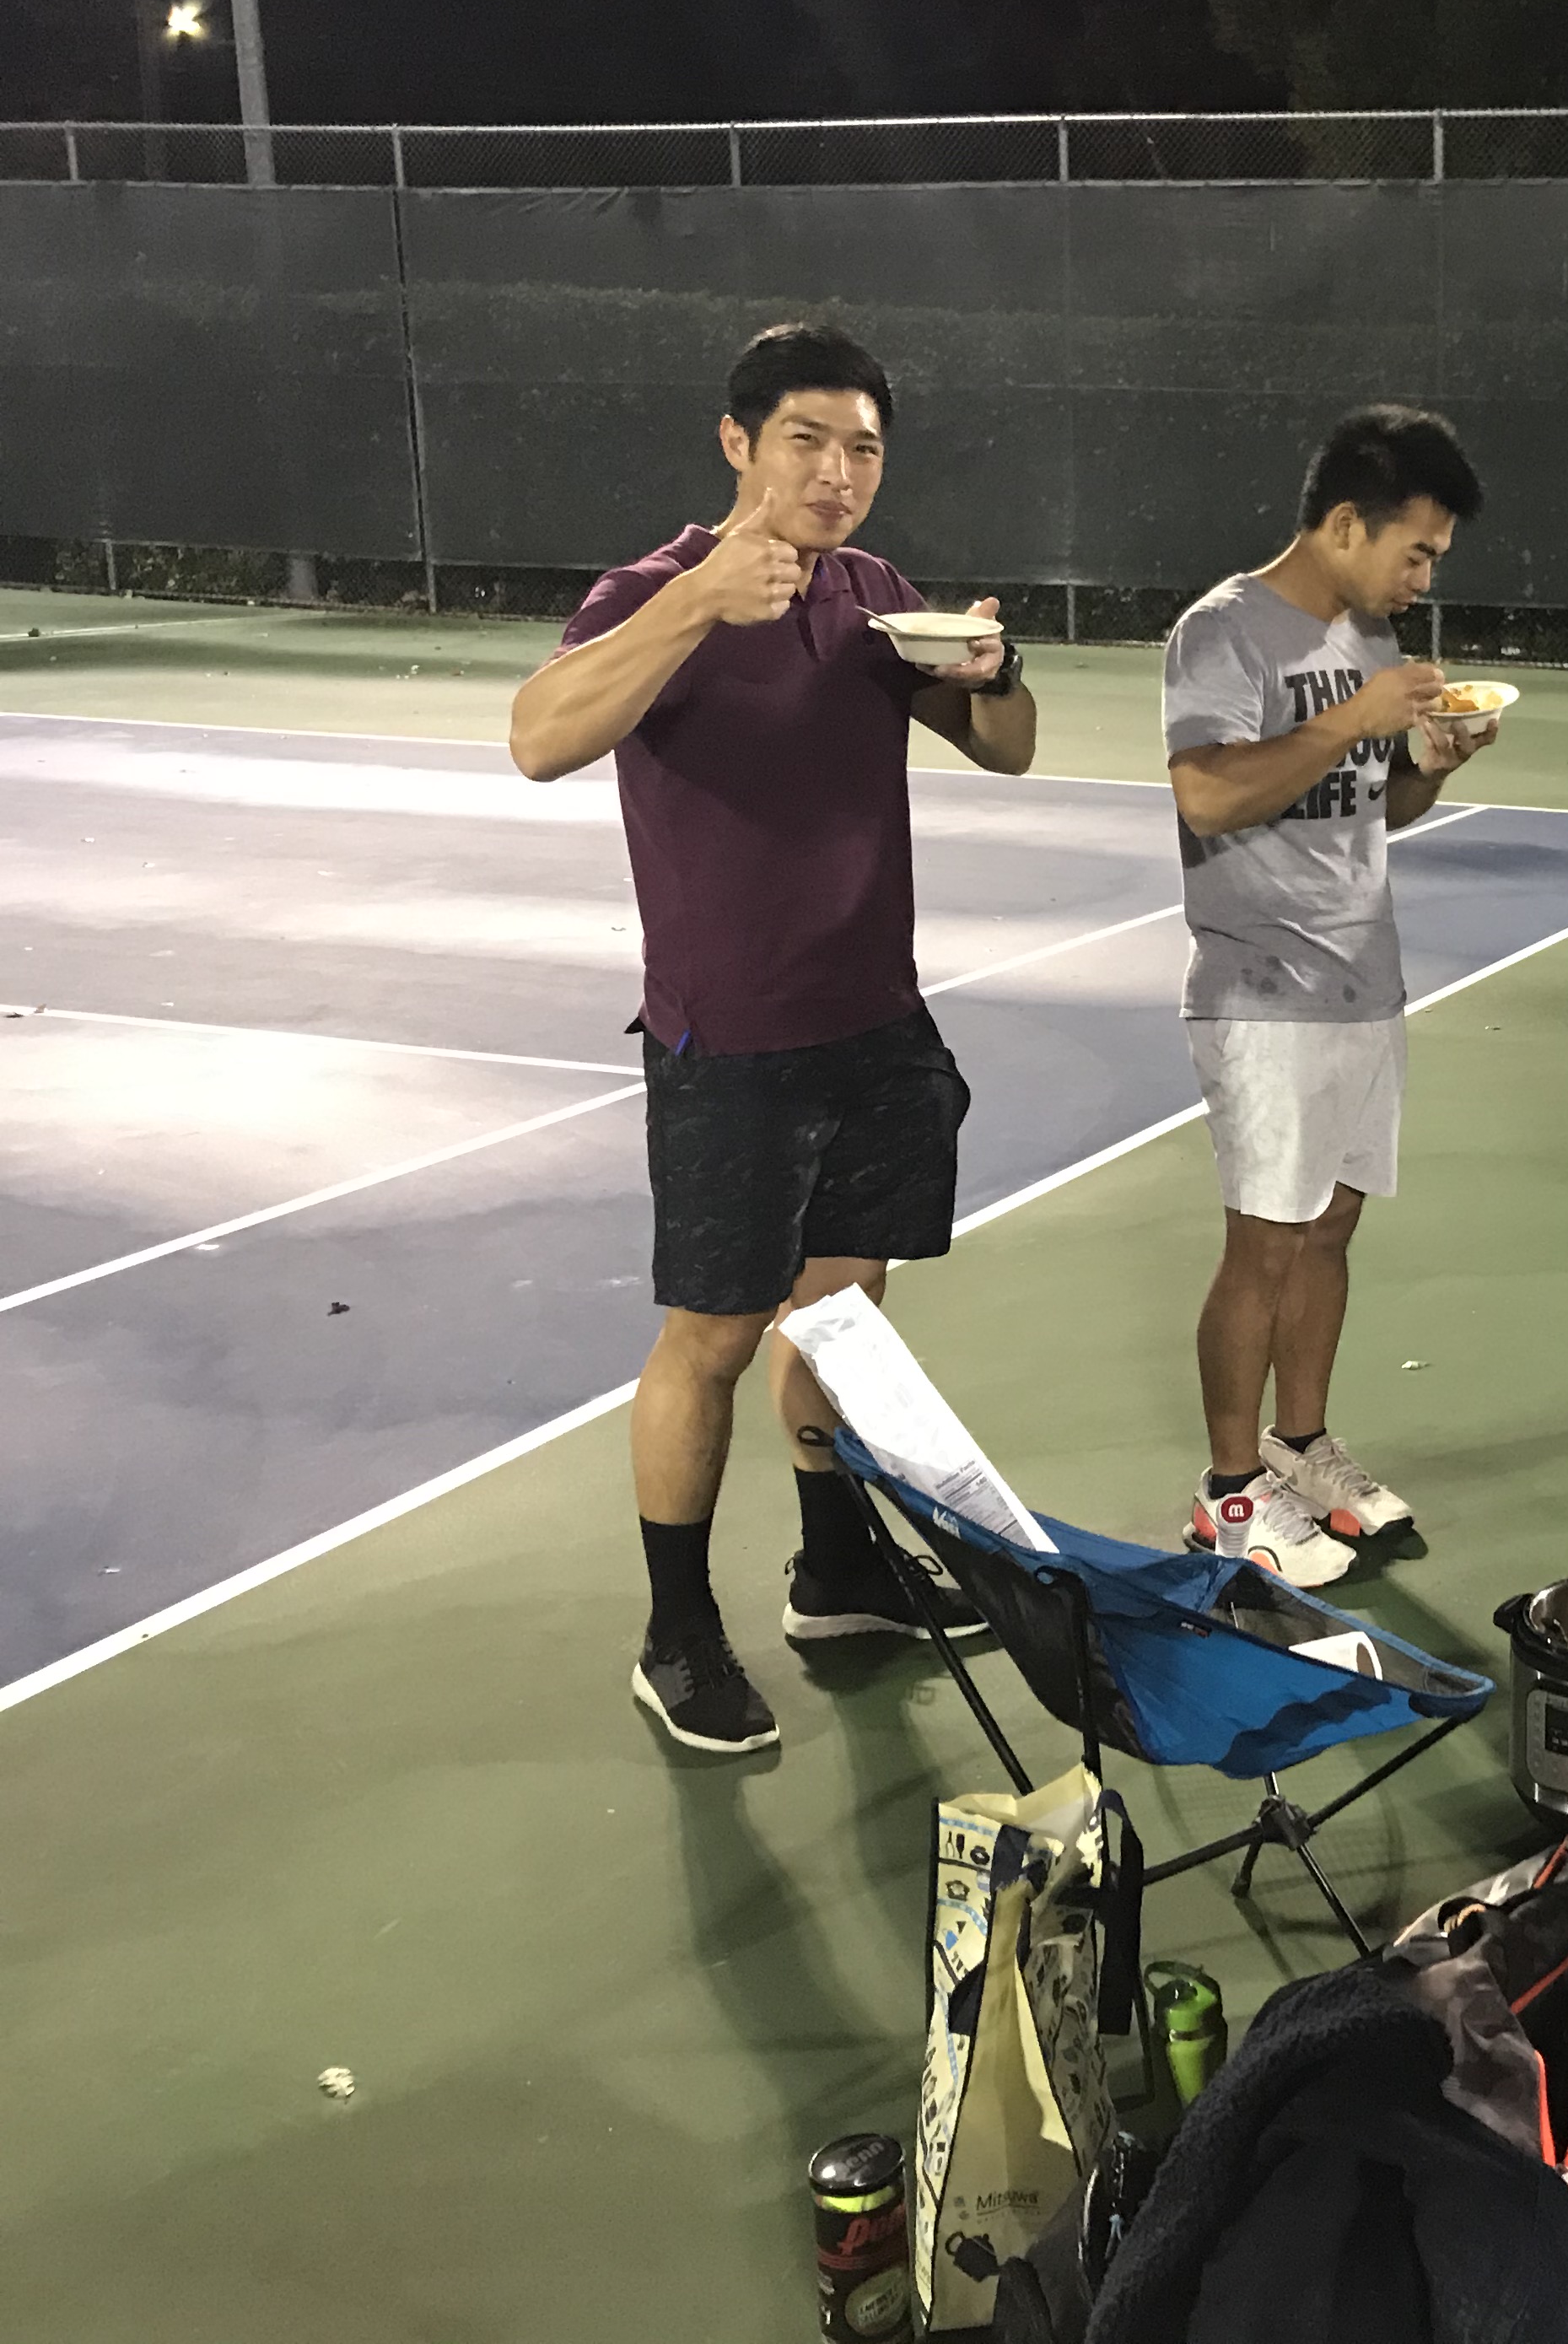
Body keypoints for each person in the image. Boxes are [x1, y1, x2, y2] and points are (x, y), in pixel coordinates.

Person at [511, 319, 1038, 1755]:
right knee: (714, 1338)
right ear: (739, 443)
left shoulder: (874, 596)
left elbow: (1005, 747)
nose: (837, 472)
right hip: (730, 1046)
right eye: (808, 440)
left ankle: (837, 1568)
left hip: (877, 1026)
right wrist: (697, 603)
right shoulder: (649, 593)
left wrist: (993, 669)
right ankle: (676, 1633)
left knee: (844, 1315)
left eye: (864, 448)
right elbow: (541, 738)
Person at [1162, 405, 1491, 1587]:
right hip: (1263, 990)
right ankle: (1227, 1494)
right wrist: (1354, 716)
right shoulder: (1224, 631)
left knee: (1331, 1226)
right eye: (1417, 551)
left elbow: (1371, 807)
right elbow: (1207, 794)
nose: (1423, 577)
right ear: (1347, 523)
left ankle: (1299, 1448)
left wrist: (1427, 767)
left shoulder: (1369, 635)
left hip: (1365, 981)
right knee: (1263, 1243)